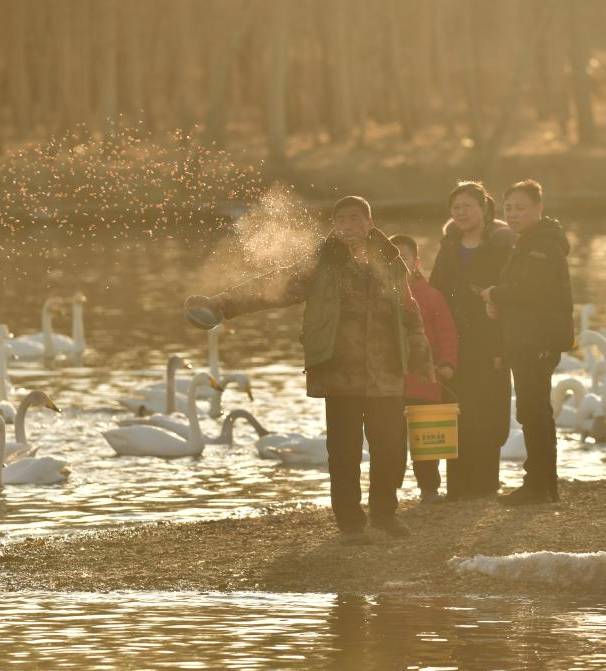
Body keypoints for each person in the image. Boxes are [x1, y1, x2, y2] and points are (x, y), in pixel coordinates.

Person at [189, 196, 435, 543]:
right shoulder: (322, 262)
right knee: (344, 451)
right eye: (341, 219)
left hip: (387, 371)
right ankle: (350, 523)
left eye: (356, 218)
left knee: (390, 448)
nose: (348, 225)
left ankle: (385, 514)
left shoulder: (391, 261)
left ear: (369, 223)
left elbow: (410, 313)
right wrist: (222, 304)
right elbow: (272, 287)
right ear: (335, 225)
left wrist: (423, 365)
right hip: (339, 372)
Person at [481, 180, 573, 505]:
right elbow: (521, 289)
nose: (513, 214)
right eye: (508, 208)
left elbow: (531, 289)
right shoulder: (528, 242)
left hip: (537, 339)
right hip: (525, 338)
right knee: (534, 411)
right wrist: (499, 301)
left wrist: (495, 294)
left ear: (539, 208)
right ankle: (543, 484)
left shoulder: (542, 246)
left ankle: (539, 485)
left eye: (520, 208)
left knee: (534, 411)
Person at [428, 181, 516, 499]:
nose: (461, 212)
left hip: (490, 340)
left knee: (489, 410)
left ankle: (486, 484)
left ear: (484, 208)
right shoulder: (449, 246)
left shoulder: (502, 246)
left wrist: (503, 347)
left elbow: (511, 297)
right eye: (456, 207)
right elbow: (435, 293)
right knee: (456, 409)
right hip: (454, 342)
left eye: (467, 206)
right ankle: (457, 486)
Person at [390, 234, 459, 504]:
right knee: (391, 439)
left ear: (416, 262)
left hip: (425, 377)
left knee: (426, 438)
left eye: (404, 258)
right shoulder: (379, 296)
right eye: (392, 258)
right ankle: (387, 491)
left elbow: (447, 333)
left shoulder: (431, 296)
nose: (398, 263)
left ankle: (429, 489)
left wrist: (448, 363)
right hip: (390, 380)